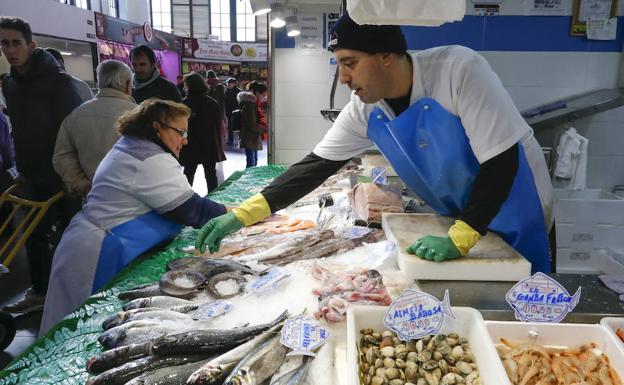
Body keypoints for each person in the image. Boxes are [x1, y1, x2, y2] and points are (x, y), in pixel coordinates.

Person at [195, 13, 554, 274]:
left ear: (385, 56)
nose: (344, 77)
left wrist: (462, 235)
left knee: (523, 293)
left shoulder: (458, 69)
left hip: (518, 200)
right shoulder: (365, 108)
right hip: (463, 210)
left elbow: (501, 160)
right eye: (339, 65)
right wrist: (243, 214)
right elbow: (315, 166)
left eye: (350, 63)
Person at [40, 99, 227, 332]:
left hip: (87, 239)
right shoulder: (150, 158)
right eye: (181, 132)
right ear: (157, 127)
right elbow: (192, 210)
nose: (185, 139)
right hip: (97, 252)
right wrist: (234, 213)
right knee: (82, 328)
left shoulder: (132, 145)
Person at [0, 17, 91, 313]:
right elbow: (19, 130)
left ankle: (78, 293)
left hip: (62, 176)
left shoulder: (59, 84)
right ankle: (40, 290)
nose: (10, 49)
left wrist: (73, 175)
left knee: (71, 235)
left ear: (31, 45)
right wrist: (21, 170)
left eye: (16, 43)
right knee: (34, 238)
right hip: (32, 174)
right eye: (4, 43)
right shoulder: (10, 84)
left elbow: (73, 133)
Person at [53, 60, 136, 198]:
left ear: (99, 83)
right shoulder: (139, 115)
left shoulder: (76, 115)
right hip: (133, 200)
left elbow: (62, 156)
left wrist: (82, 184)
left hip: (93, 198)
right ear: (128, 85)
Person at [180, 72, 226, 192]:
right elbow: (217, 126)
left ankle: (184, 200)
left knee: (188, 174)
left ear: (189, 86)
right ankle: (214, 200)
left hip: (190, 144)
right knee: (210, 174)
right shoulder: (212, 103)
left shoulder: (184, 104)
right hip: (209, 144)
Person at [237, 83, 266, 168]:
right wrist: (264, 129)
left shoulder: (255, 104)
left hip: (253, 137)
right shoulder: (250, 105)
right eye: (263, 95)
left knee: (254, 161)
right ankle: (247, 181)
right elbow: (252, 124)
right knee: (251, 163)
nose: (264, 97)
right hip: (249, 137)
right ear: (257, 93)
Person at [224, 78, 241, 146]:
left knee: (238, 127)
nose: (227, 85)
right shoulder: (226, 91)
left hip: (236, 112)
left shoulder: (238, 91)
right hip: (229, 111)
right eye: (227, 83)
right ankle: (230, 141)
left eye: (229, 83)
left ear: (234, 84)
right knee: (230, 127)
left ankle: (240, 141)